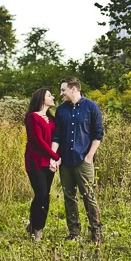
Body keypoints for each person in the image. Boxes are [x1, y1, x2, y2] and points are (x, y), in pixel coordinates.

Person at [51, 77, 104, 243]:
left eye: (63, 90)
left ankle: (96, 234)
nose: (61, 94)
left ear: (73, 89)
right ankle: (74, 232)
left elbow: (98, 134)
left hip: (83, 161)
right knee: (69, 197)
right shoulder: (61, 110)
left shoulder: (91, 107)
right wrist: (54, 157)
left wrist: (89, 156)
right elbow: (57, 135)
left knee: (88, 196)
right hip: (65, 162)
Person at [24, 88, 61, 242]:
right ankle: (36, 229)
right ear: (41, 99)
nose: (52, 97)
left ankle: (37, 226)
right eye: (49, 95)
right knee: (40, 194)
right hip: (35, 161)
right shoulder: (32, 117)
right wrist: (56, 156)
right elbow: (38, 141)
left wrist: (55, 159)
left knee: (45, 197)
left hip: (49, 162)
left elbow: (56, 139)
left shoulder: (52, 119)